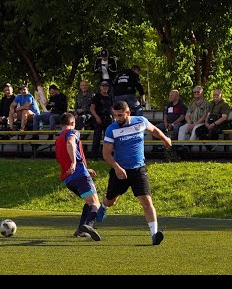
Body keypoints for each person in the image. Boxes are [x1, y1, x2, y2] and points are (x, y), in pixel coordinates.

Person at [96, 101, 172, 246]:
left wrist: (165, 139)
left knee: (147, 202)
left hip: (138, 170)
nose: (117, 118)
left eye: (120, 115)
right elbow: (106, 154)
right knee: (111, 201)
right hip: (120, 171)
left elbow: (154, 129)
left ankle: (154, 235)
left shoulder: (140, 121)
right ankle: (104, 206)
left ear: (128, 113)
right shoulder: (111, 129)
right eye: (115, 115)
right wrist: (117, 167)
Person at [55, 112, 101, 241]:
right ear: (72, 123)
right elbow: (70, 143)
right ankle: (89, 225)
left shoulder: (58, 139)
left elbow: (65, 154)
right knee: (95, 203)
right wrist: (75, 163)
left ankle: (80, 230)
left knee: (88, 202)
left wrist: (85, 167)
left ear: (60, 124)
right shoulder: (73, 132)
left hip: (69, 179)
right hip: (79, 174)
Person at [90, 80, 114, 159]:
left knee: (107, 138)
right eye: (103, 86)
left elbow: (111, 108)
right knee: (97, 137)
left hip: (107, 119)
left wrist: (114, 117)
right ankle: (94, 155)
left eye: (106, 86)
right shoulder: (96, 97)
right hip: (99, 118)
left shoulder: (109, 97)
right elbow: (92, 109)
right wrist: (97, 117)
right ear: (100, 87)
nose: (105, 88)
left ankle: (105, 155)